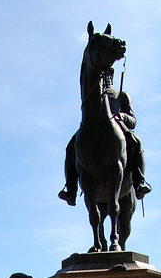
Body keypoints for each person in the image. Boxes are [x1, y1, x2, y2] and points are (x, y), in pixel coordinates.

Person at [58, 67, 151, 207]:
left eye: (108, 76)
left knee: (136, 142)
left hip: (118, 129)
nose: (106, 79)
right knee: (71, 147)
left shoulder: (121, 95)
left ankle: (139, 183)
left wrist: (122, 116)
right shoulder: (92, 95)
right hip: (93, 129)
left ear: (111, 78)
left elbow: (133, 121)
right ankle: (71, 190)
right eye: (103, 76)